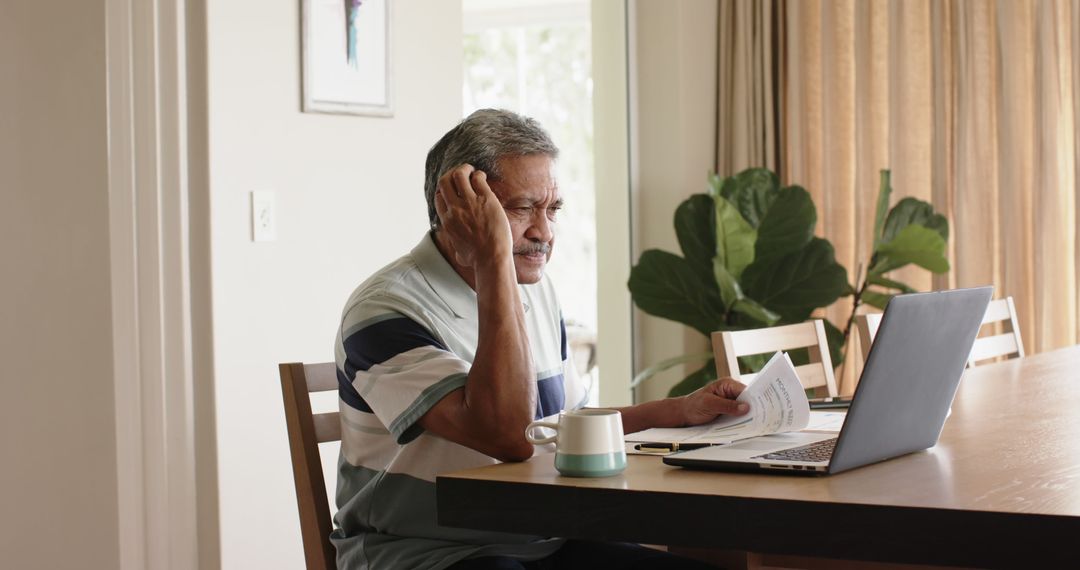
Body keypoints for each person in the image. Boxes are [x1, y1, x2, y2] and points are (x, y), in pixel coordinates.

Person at [331, 109, 749, 570]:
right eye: (521, 208)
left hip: (544, 542)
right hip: (427, 553)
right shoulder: (384, 309)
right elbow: (508, 437)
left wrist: (677, 410)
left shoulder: (535, 290)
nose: (544, 232)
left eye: (552, 210)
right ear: (455, 209)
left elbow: (556, 426)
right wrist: (494, 260)